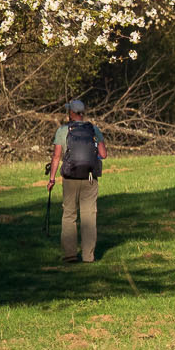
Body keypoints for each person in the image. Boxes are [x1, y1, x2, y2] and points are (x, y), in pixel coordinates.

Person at [47, 99, 107, 263]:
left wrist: (52, 179)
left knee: (69, 215)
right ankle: (88, 256)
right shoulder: (94, 129)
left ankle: (70, 255)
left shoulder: (62, 131)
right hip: (90, 178)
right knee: (89, 217)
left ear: (71, 113)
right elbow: (103, 154)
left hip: (70, 178)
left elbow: (56, 156)